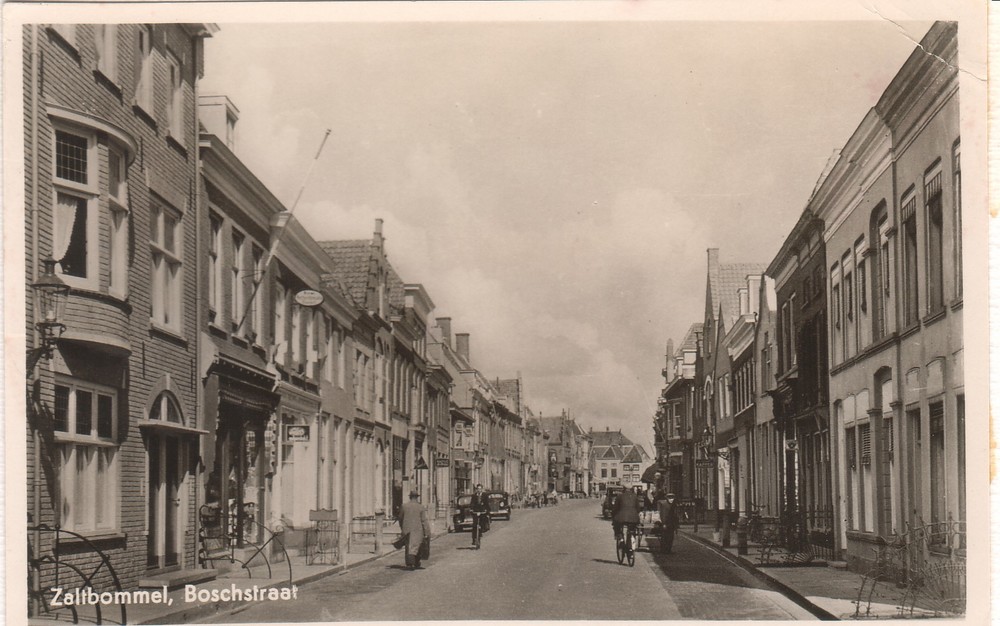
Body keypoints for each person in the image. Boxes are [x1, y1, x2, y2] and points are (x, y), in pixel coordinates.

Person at [398, 490, 430, 569]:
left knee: (408, 547)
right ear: (417, 497)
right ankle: (416, 562)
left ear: (410, 497)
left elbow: (400, 518)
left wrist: (402, 527)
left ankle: (410, 563)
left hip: (407, 530)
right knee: (417, 546)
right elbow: (424, 520)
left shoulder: (404, 506)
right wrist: (427, 531)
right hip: (418, 530)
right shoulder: (421, 507)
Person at [469, 483, 490, 548]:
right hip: (475, 511)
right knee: (474, 525)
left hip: (482, 511)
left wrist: (487, 510)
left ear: (482, 489)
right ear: (476, 489)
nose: (479, 490)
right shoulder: (474, 496)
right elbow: (472, 503)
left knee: (482, 523)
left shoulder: (485, 495)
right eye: (478, 489)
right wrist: (471, 509)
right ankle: (474, 539)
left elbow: (487, 504)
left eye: (480, 489)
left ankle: (480, 533)